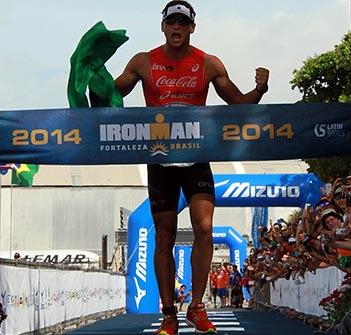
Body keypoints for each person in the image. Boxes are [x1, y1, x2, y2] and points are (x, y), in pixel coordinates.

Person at [115, 1, 269, 334]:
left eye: (183, 23)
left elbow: (239, 104)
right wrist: (93, 74)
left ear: (191, 28)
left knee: (204, 228)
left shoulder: (209, 64)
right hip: (159, 159)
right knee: (164, 238)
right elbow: (112, 95)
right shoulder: (144, 62)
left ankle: (197, 308)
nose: (177, 28)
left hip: (196, 157)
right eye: (172, 21)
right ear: (163, 26)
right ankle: (169, 314)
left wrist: (259, 88)